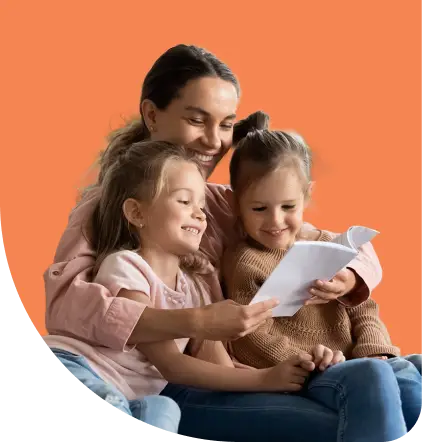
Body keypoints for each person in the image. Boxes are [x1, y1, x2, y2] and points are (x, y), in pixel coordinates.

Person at [42, 44, 387, 440]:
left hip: (202, 372)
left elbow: (325, 236)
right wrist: (199, 322)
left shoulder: (223, 204)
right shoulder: (103, 210)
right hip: (143, 375)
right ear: (152, 115)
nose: (214, 141)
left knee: (395, 382)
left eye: (226, 125)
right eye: (196, 120)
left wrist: (350, 272)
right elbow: (69, 306)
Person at [221, 113, 422, 434]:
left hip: (360, 358)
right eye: (259, 209)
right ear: (235, 203)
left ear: (307, 196)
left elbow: (364, 309)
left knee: (410, 375)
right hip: (312, 370)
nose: (275, 221)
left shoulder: (329, 245)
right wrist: (308, 360)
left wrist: (375, 350)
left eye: (288, 207)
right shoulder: (245, 260)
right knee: (400, 385)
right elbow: (251, 337)